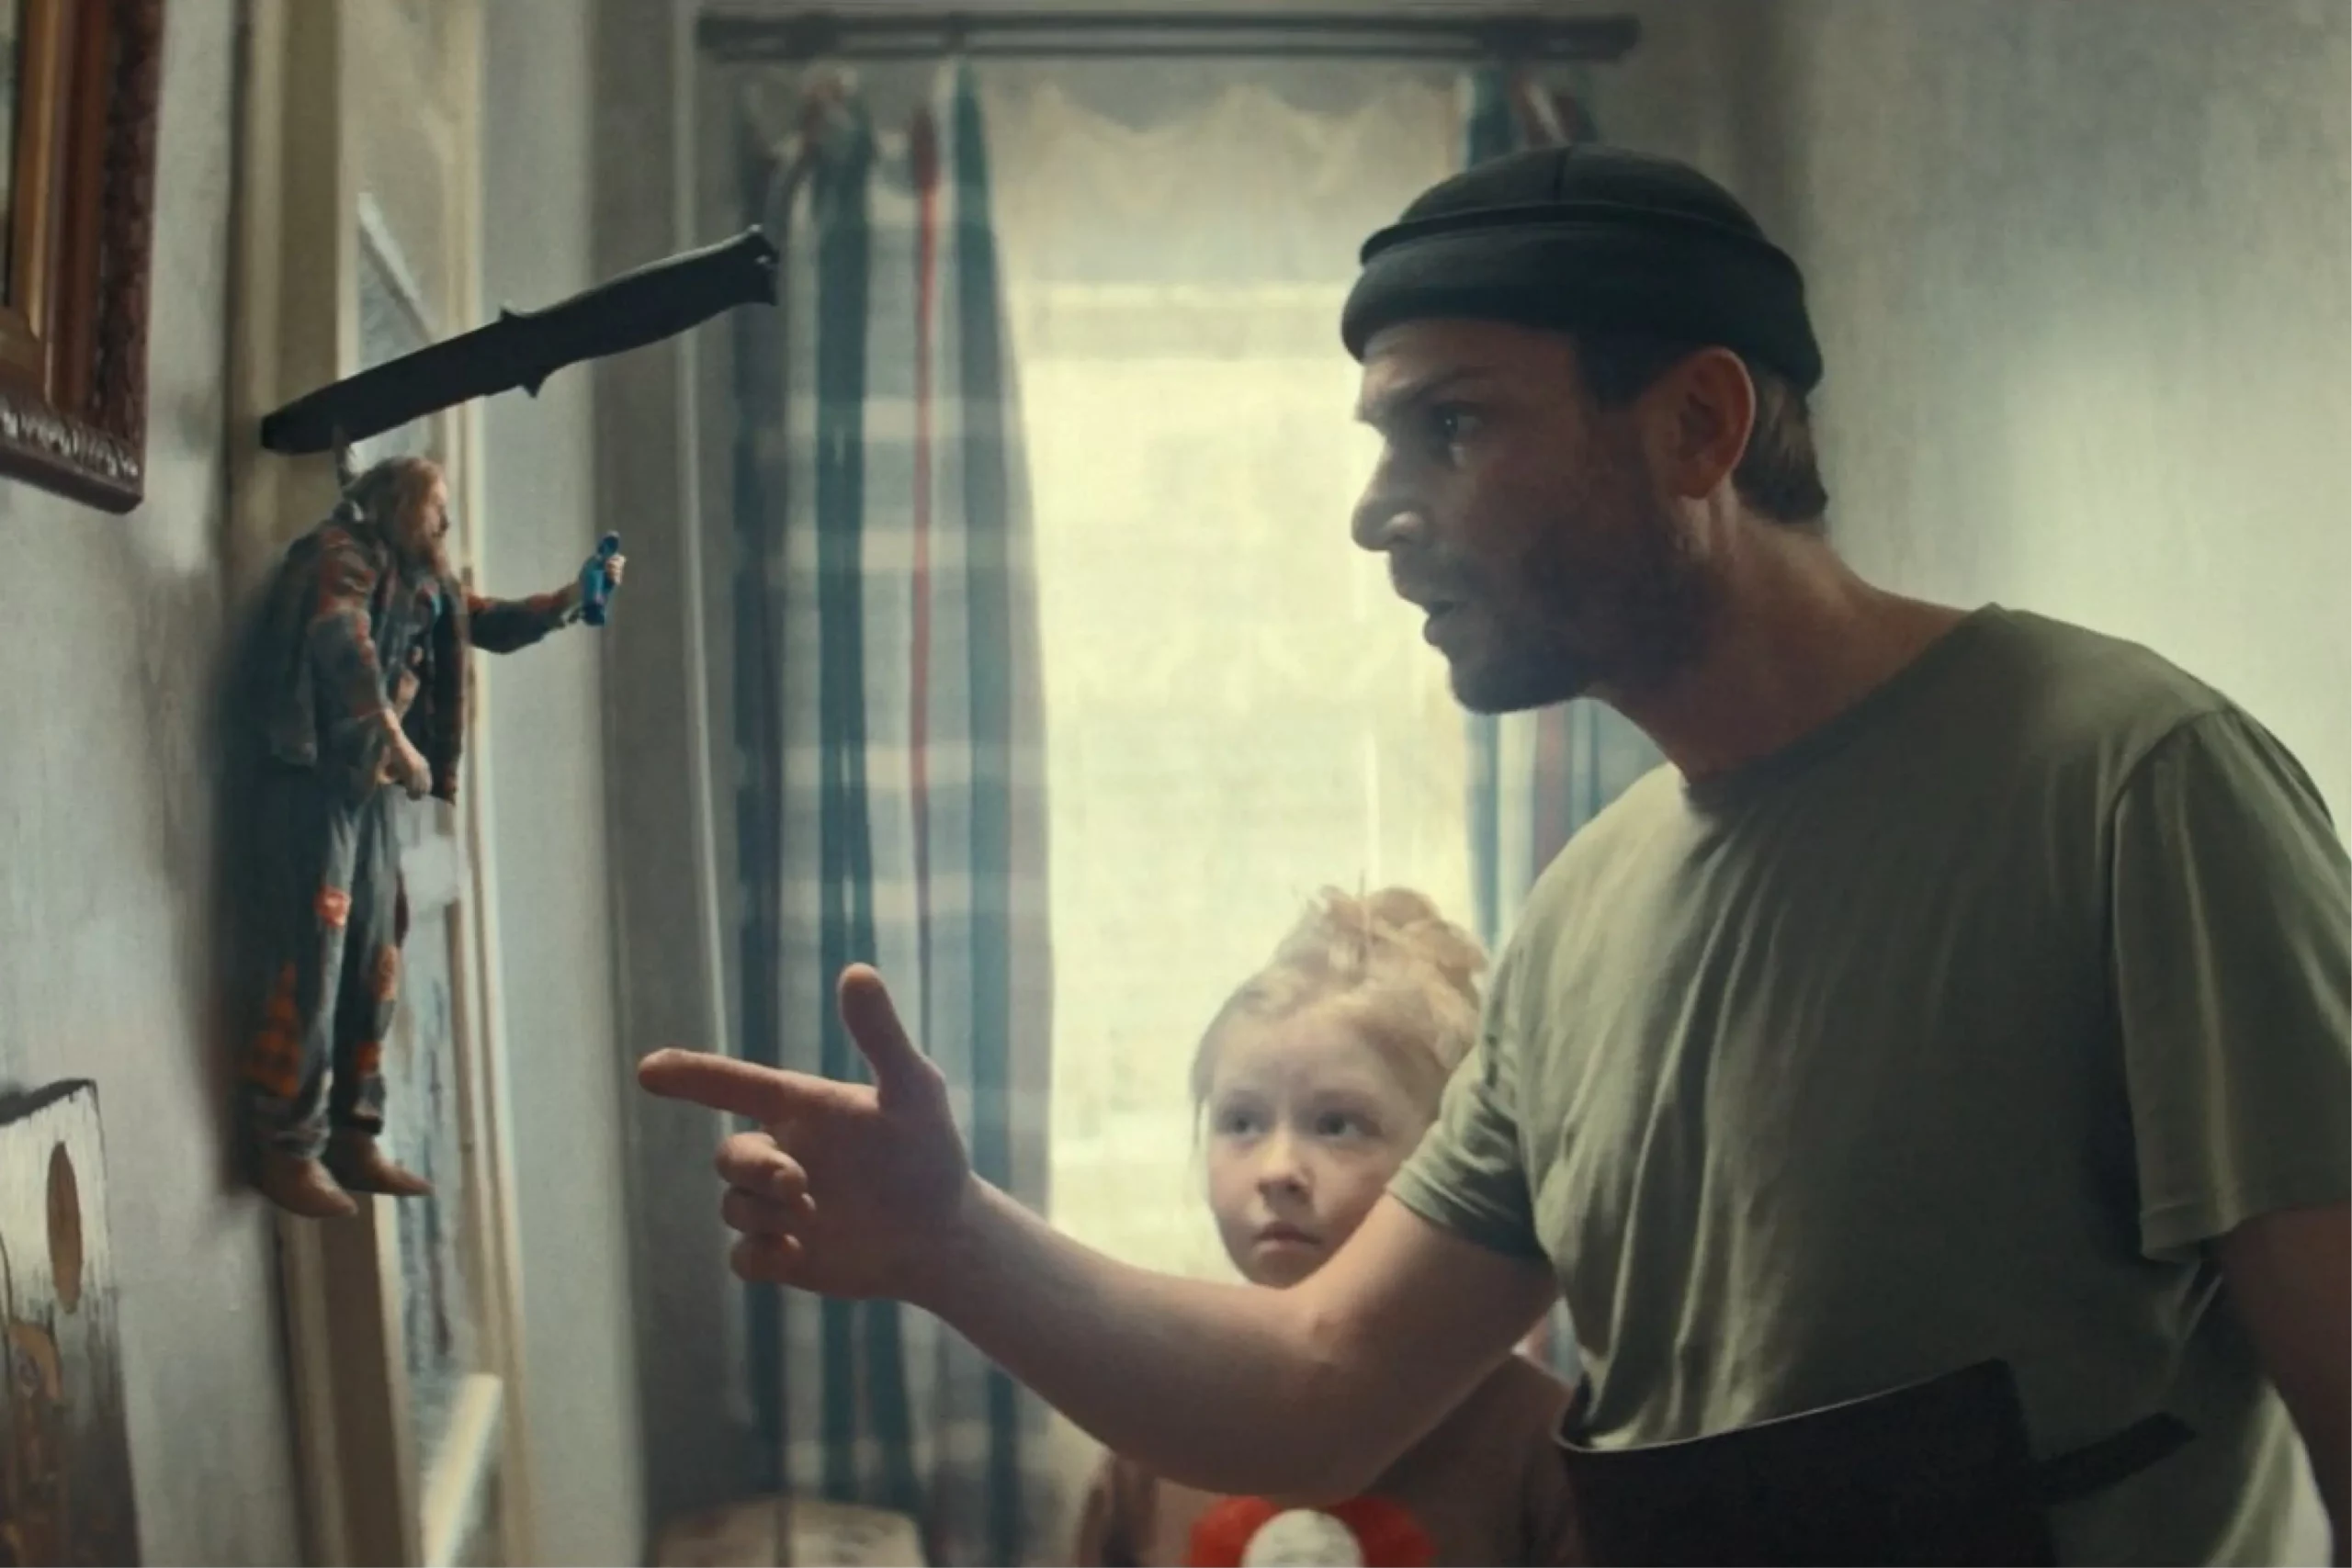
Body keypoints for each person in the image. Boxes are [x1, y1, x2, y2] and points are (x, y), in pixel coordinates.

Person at [639, 144, 2352, 1567]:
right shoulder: (1585, 913)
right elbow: (1317, 1386)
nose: (1377, 509)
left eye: (1450, 427)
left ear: (1699, 427)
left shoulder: (2127, 787)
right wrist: (951, 1238)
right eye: (1384, 442)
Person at [1072, 886, 1583, 1568]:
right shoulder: (1158, 1429)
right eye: (1241, 1122)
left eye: (1338, 1124)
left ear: (1449, 1160)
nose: (1277, 1169)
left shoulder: (1535, 1441)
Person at [241, 455, 625, 1219]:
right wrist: (395, 736)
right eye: (436, 505)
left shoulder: (427, 583)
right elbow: (341, 641)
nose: (447, 521)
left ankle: (353, 1133)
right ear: (399, 505)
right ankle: (286, 1142)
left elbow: (488, 621)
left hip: (371, 791)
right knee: (314, 953)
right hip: (317, 780)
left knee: (376, 954)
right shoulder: (341, 556)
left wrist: (570, 599)